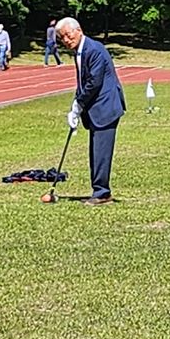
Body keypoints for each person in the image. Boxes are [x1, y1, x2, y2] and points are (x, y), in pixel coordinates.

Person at [55, 17, 125, 206]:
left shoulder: (94, 49)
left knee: (101, 151)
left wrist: (78, 104)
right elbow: (83, 81)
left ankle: (102, 193)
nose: (67, 40)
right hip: (96, 108)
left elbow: (94, 82)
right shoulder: (80, 51)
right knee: (96, 151)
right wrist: (75, 106)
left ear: (79, 30)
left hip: (106, 107)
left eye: (68, 35)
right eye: (62, 38)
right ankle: (99, 190)